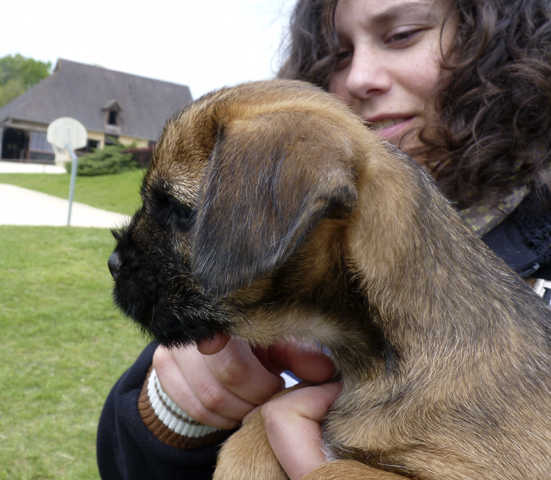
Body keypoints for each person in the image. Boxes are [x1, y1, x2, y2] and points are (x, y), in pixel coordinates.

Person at [97, 0, 551, 478]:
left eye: (401, 35)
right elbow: (122, 460)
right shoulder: (270, 290)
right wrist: (178, 416)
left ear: (500, 42)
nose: (359, 77)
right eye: (335, 53)